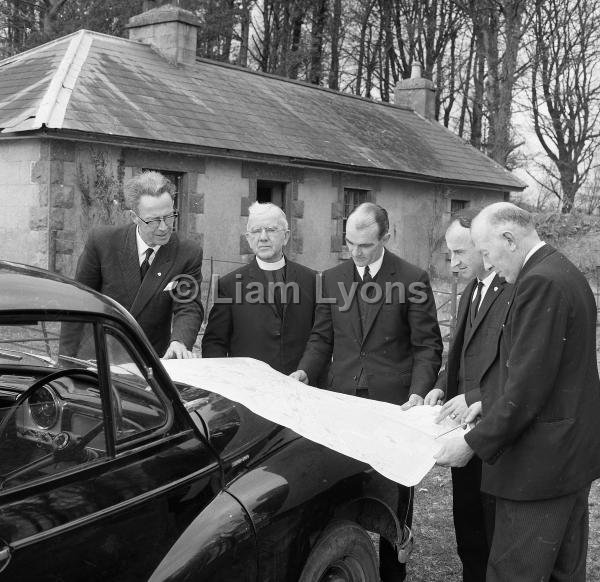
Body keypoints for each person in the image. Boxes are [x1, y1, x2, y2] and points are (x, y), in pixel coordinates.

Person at [435, 202, 600, 582]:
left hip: (539, 469)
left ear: (509, 239)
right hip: (566, 459)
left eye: (487, 251)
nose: (488, 263)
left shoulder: (539, 282)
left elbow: (526, 386)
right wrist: (484, 401)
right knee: (562, 572)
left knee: (514, 572)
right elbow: (537, 371)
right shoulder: (561, 271)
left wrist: (473, 444)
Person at [291, 202, 442, 581]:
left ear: (385, 238)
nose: (355, 252)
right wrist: (305, 371)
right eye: (349, 243)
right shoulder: (331, 279)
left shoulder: (412, 279)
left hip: (394, 405)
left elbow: (427, 346)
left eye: (365, 245)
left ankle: (393, 571)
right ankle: (339, 562)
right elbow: (321, 337)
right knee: (338, 490)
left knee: (394, 495)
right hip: (341, 401)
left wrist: (419, 392)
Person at [417, 209, 509, 582]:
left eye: (460, 253)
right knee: (467, 522)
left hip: (493, 427)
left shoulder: (513, 290)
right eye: (449, 254)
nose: (453, 263)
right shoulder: (472, 288)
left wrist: (471, 394)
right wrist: (442, 383)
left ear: (484, 246)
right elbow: (461, 351)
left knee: (490, 526)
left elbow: (510, 364)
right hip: (461, 426)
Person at [63, 170, 204, 359]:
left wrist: (179, 341)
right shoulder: (103, 242)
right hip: (100, 357)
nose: (163, 227)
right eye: (153, 220)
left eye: (169, 217)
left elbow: (188, 306)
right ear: (134, 217)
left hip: (150, 360)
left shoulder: (188, 252)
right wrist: (65, 362)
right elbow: (78, 303)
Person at [202, 202, 317, 374]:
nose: (263, 237)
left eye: (271, 229)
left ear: (285, 236)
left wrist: (308, 370)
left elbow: (321, 338)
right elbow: (214, 343)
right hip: (250, 389)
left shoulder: (312, 280)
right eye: (256, 231)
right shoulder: (229, 286)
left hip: (302, 386)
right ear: (248, 239)